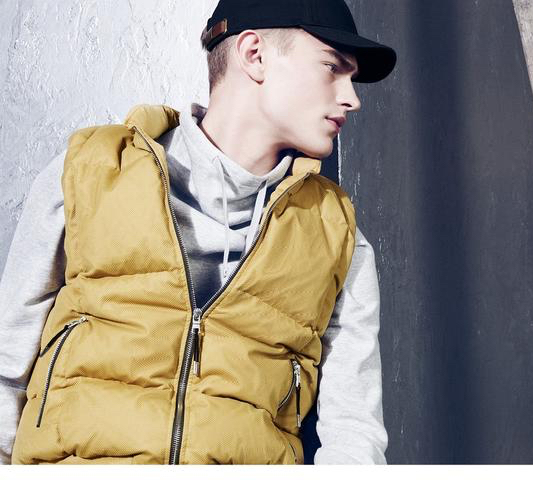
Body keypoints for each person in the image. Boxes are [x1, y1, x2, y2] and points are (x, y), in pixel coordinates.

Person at [0, 0, 397, 464]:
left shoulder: (336, 235)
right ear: (254, 55)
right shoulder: (90, 171)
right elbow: (8, 371)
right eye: (332, 67)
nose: (352, 98)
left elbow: (354, 436)